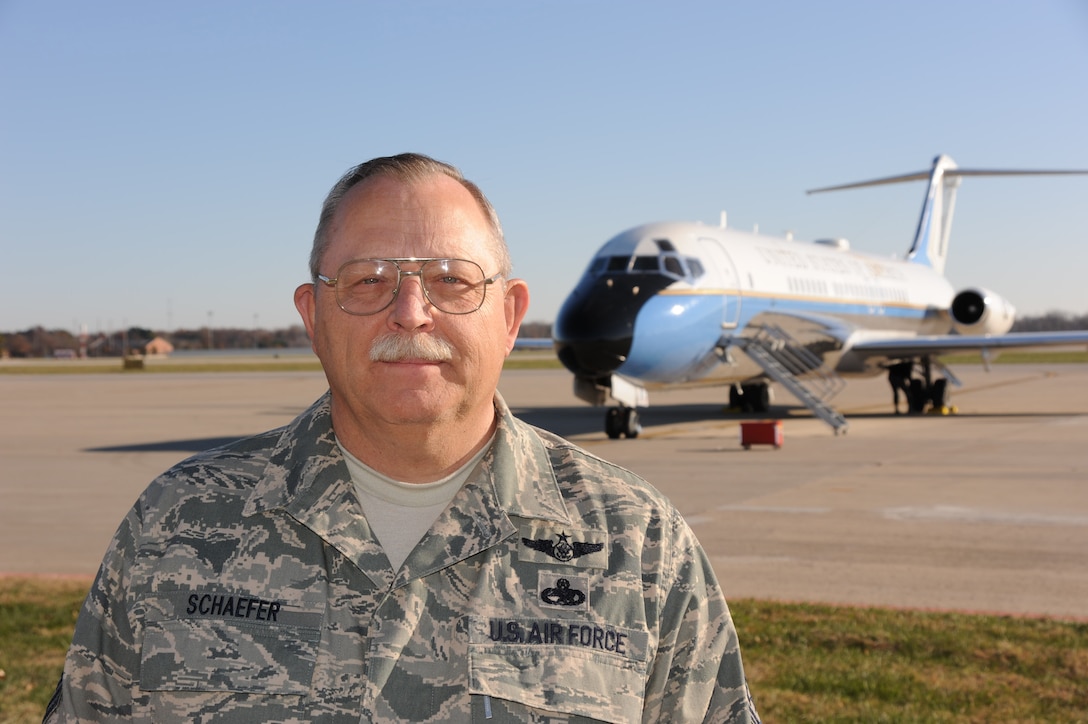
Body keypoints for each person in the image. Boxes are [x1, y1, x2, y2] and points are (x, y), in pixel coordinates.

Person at [46, 153, 760, 723]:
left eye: (452, 281)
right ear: (313, 315)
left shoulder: (639, 546)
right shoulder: (176, 526)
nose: (410, 312)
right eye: (366, 281)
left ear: (510, 317)